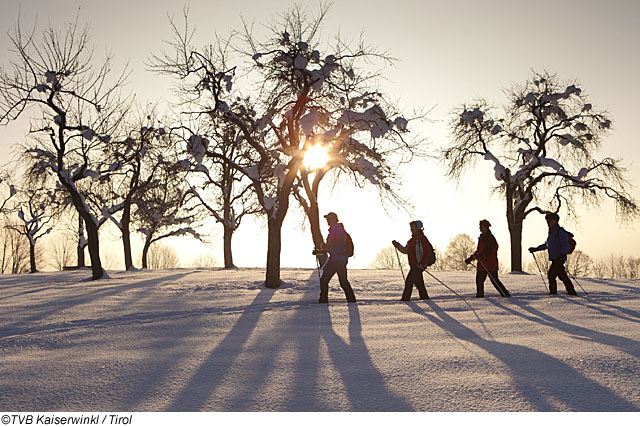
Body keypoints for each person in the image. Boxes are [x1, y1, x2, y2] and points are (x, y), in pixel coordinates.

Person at [528, 212, 577, 296]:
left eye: (550, 221)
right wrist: (536, 249)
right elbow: (547, 245)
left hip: (559, 258)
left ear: (555, 221)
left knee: (551, 275)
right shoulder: (552, 233)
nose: (548, 223)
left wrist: (562, 254)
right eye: (547, 221)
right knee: (562, 276)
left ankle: (553, 293)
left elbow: (565, 245)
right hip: (555, 258)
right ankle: (571, 292)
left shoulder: (560, 232)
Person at [312, 212, 357, 303]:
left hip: (338, 260)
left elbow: (335, 246)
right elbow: (332, 247)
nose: (327, 221)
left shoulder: (338, 231)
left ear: (334, 220)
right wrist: (321, 251)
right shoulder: (334, 230)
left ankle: (324, 300)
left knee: (329, 280)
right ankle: (351, 300)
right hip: (337, 259)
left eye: (329, 219)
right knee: (339, 281)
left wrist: (324, 248)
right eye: (327, 219)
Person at [464, 219, 510, 298]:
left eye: (480, 226)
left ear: (485, 227)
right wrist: (471, 258)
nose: (479, 228)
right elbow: (479, 251)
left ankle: (505, 294)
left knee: (494, 280)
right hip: (482, 264)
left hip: (490, 264)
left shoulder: (490, 237)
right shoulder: (482, 237)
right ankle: (480, 296)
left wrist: (481, 255)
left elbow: (490, 250)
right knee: (479, 281)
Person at [392, 220, 431, 301]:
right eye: (411, 227)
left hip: (418, 265)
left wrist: (422, 263)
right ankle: (425, 298)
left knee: (409, 282)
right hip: (413, 265)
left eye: (412, 227)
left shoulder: (422, 239)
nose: (411, 229)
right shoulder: (411, 240)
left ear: (417, 228)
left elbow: (427, 252)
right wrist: (397, 245)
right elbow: (406, 250)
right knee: (419, 283)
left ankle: (405, 299)